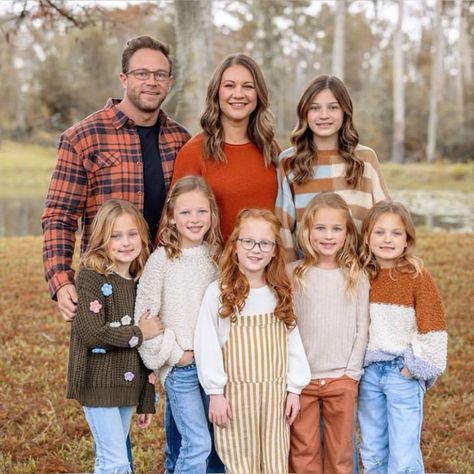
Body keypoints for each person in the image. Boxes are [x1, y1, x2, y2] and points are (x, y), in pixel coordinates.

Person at [42, 35, 190, 323]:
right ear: (124, 78)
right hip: (104, 284)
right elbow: (59, 217)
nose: (152, 81)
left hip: (165, 286)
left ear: (169, 81)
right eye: (142, 73)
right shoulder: (83, 137)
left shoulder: (180, 140)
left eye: (160, 75)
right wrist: (61, 281)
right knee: (102, 367)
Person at [194, 208, 311, 474]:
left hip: (274, 397)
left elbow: (293, 344)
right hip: (235, 398)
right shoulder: (219, 293)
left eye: (265, 243)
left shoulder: (280, 292)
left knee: (274, 461)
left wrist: (294, 389)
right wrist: (215, 393)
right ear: (235, 245)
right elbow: (207, 345)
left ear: (274, 251)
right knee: (239, 462)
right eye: (248, 241)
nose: (255, 249)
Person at [66, 199, 164, 474]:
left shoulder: (139, 283)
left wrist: (146, 399)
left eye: (132, 234)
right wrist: (138, 333)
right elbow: (91, 332)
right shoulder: (91, 278)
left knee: (112, 461)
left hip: (127, 386)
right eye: (115, 236)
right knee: (116, 463)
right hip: (97, 383)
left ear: (142, 237)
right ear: (101, 239)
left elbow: (143, 352)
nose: (125, 242)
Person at [133, 176, 222, 474]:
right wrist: (174, 354)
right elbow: (144, 320)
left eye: (201, 211)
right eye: (185, 212)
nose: (194, 219)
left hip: (215, 368)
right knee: (197, 443)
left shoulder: (217, 258)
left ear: (212, 213)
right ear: (171, 217)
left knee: (215, 442)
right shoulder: (161, 261)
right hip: (181, 368)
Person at [358, 200, 448, 473]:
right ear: (366, 236)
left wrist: (415, 367)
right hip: (369, 374)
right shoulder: (363, 275)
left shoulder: (416, 277)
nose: (387, 239)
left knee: (403, 451)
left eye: (396, 233)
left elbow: (433, 325)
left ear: (407, 240)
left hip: (401, 373)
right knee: (372, 447)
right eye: (379, 232)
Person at [287, 192, 369, 474]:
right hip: (302, 382)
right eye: (320, 228)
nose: (328, 236)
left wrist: (352, 373)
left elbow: (362, 328)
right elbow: (287, 327)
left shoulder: (356, 276)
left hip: (340, 379)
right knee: (302, 451)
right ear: (307, 231)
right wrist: (291, 378)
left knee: (341, 453)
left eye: (336, 229)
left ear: (347, 234)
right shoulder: (293, 274)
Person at [275, 74, 389, 261]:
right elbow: (284, 229)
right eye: (315, 108)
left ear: (345, 112)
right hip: (307, 274)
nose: (324, 115)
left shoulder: (365, 159)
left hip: (359, 272)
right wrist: (289, 274)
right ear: (304, 113)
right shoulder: (289, 161)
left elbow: (384, 219)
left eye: (333, 107)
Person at [171, 53, 280, 241]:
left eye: (248, 87)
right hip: (214, 267)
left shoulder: (270, 148)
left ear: (258, 94)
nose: (239, 94)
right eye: (229, 86)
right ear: (217, 92)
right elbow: (172, 222)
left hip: (265, 264)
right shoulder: (194, 152)